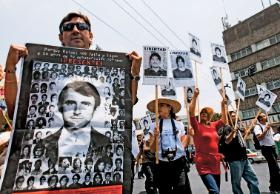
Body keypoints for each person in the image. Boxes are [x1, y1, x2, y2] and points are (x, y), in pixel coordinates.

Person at [42, 81, 110, 162]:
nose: (77, 111)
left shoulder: (107, 143)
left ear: (95, 110)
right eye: (70, 103)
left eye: (85, 104)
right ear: (60, 107)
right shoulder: (44, 143)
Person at [147, 98, 192, 194]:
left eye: (161, 105)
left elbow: (183, 145)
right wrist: (155, 137)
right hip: (161, 164)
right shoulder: (153, 125)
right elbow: (152, 149)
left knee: (181, 189)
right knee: (164, 190)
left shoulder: (179, 124)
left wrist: (189, 136)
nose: (159, 108)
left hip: (178, 162)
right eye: (158, 106)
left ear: (169, 108)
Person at [189, 88, 226, 194]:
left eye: (206, 112)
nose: (203, 114)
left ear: (210, 115)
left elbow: (224, 120)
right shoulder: (197, 126)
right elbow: (191, 111)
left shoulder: (214, 125)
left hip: (215, 162)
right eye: (202, 112)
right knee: (215, 191)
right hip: (203, 163)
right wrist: (195, 96)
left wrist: (223, 105)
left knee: (216, 190)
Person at [219, 111, 260, 194]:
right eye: (233, 116)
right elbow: (227, 141)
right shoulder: (227, 128)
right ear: (229, 118)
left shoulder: (237, 127)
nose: (235, 117)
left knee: (253, 178)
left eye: (236, 115)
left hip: (244, 158)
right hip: (235, 159)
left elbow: (242, 138)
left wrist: (250, 126)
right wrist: (233, 132)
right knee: (236, 182)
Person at [254, 113, 280, 193]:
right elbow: (259, 138)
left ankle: (272, 187)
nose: (266, 116)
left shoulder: (268, 125)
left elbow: (272, 137)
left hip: (272, 148)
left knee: (273, 169)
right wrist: (265, 129)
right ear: (261, 119)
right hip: (266, 148)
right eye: (264, 116)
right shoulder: (257, 127)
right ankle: (277, 187)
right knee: (276, 168)